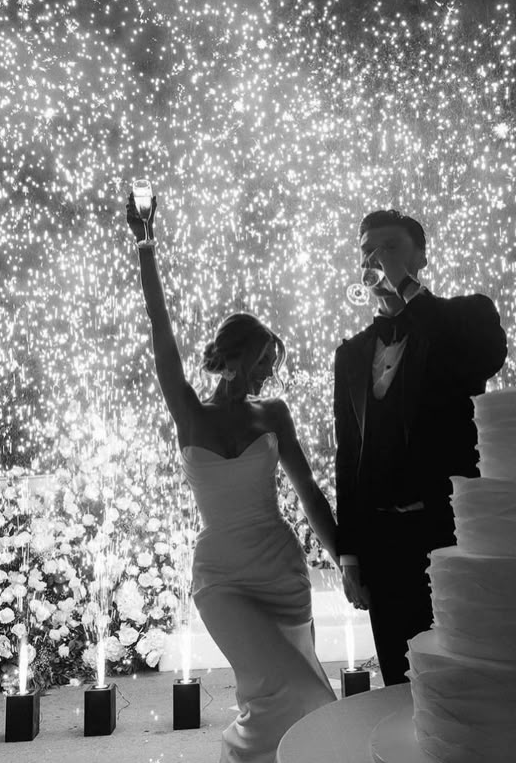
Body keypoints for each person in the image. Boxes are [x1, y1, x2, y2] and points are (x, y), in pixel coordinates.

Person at [127, 193, 337, 762]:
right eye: (266, 359)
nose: (272, 371)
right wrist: (146, 245)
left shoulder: (274, 416)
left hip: (281, 571)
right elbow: (159, 330)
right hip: (220, 577)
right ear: (239, 355)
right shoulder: (189, 411)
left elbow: (310, 492)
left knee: (299, 704)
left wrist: (347, 558)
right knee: (298, 691)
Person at [334, 209, 507, 686]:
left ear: (422, 257)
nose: (375, 258)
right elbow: (347, 456)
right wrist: (349, 555)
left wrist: (407, 291)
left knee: (463, 675)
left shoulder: (466, 315)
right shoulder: (350, 354)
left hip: (450, 534)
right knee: (399, 679)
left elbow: (484, 357)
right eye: (367, 249)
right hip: (382, 545)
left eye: (390, 247)